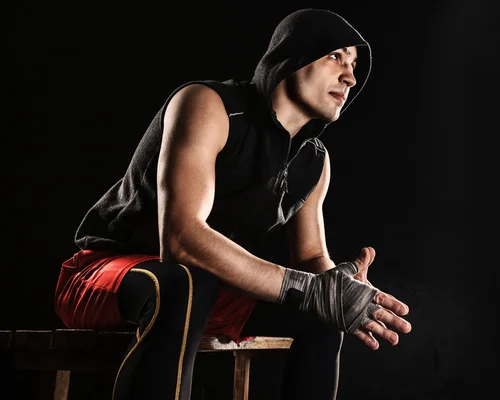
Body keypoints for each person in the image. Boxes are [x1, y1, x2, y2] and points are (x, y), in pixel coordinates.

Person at [54, 8, 412, 400]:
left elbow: (312, 260)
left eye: (355, 64)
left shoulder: (314, 161)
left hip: (205, 295)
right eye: (336, 56)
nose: (350, 75)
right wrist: (306, 287)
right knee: (186, 281)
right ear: (292, 57)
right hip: (105, 276)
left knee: (321, 314)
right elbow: (181, 240)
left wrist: (341, 288)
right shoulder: (209, 104)